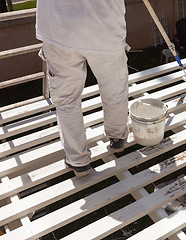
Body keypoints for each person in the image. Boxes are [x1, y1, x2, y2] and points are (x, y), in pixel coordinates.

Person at [36, 1, 129, 177]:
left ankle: (78, 161)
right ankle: (117, 138)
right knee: (114, 89)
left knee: (67, 101)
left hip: (58, 30)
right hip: (105, 27)